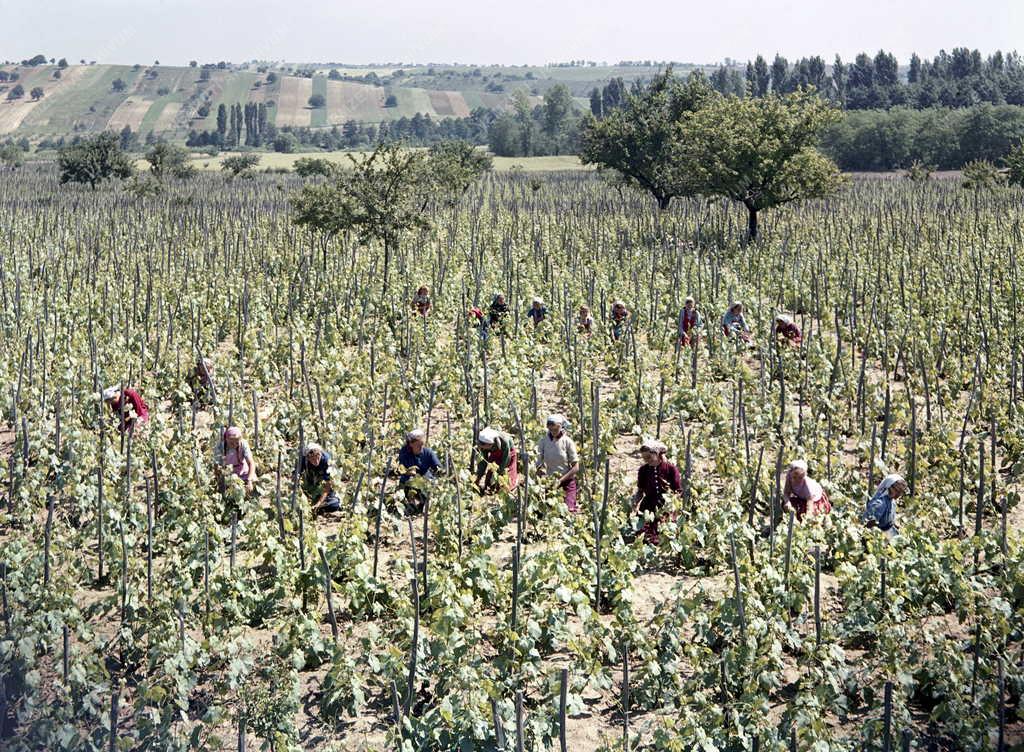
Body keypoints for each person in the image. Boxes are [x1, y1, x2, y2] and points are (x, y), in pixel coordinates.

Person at [632, 439, 682, 544]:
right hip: (648, 506)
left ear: (657, 454)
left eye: (649, 457)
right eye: (644, 458)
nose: (647, 460)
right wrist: (635, 502)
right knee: (644, 535)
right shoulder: (643, 470)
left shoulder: (671, 469)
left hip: (665, 505)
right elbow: (640, 490)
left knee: (664, 533)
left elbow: (677, 491)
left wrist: (672, 507)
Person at [535, 415, 580, 513]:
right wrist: (540, 479)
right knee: (545, 512)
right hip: (550, 483)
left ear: (561, 427)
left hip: (566, 482)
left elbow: (576, 467)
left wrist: (560, 480)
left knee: (567, 511)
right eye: (551, 429)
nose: (553, 432)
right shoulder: (543, 442)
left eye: (556, 429)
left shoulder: (567, 442)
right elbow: (538, 464)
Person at [397, 428, 442, 512]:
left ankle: (423, 503)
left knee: (430, 487)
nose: (421, 448)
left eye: (422, 445)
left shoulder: (428, 452)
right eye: (418, 446)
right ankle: (412, 503)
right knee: (409, 501)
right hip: (409, 482)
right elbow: (404, 470)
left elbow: (438, 468)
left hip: (425, 482)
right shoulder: (404, 453)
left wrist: (440, 477)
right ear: (411, 444)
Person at [300, 442, 341, 514]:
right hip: (309, 486)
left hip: (323, 488)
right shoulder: (303, 460)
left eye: (317, 457)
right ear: (308, 458)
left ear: (320, 453)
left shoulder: (326, 461)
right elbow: (295, 475)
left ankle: (318, 507)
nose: (316, 461)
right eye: (312, 459)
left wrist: (319, 503)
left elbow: (328, 486)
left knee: (335, 504)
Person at [475, 427, 519, 494]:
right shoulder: (483, 444)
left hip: (509, 452)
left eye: (484, 447)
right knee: (491, 469)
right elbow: (483, 461)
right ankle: (488, 486)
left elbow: (506, 459)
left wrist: (500, 472)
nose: (483, 449)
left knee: (508, 471)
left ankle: (507, 488)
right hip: (495, 452)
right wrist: (478, 477)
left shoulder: (504, 441)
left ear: (490, 444)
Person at [863, 474, 906, 538]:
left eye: (900, 492)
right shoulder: (880, 504)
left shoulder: (891, 500)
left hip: (888, 532)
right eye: (897, 490)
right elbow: (869, 525)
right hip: (879, 535)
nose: (899, 494)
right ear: (889, 487)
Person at [218, 426, 257, 495]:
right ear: (226, 440)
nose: (234, 445)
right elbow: (216, 465)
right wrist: (220, 480)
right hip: (228, 473)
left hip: (243, 471)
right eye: (231, 443)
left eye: (236, 443)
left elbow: (251, 463)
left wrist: (249, 480)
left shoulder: (243, 444)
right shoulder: (220, 447)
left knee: (253, 485)